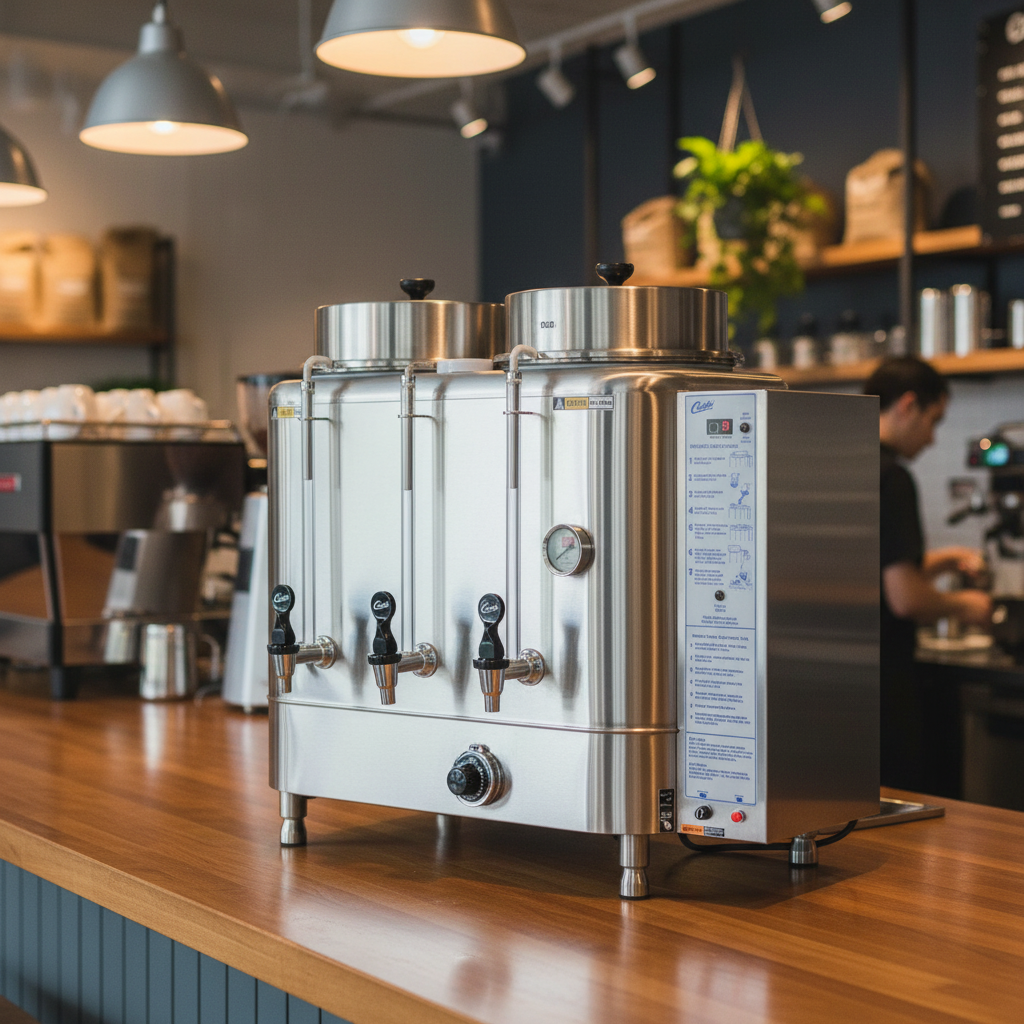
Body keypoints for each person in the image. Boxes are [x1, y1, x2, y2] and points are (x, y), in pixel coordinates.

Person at [863, 356, 992, 791]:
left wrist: (944, 560)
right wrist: (966, 605)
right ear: (908, 405)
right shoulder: (893, 478)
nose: (933, 438)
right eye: (934, 421)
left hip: (840, 680)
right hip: (884, 682)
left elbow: (871, 569)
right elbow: (905, 598)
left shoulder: (840, 462)